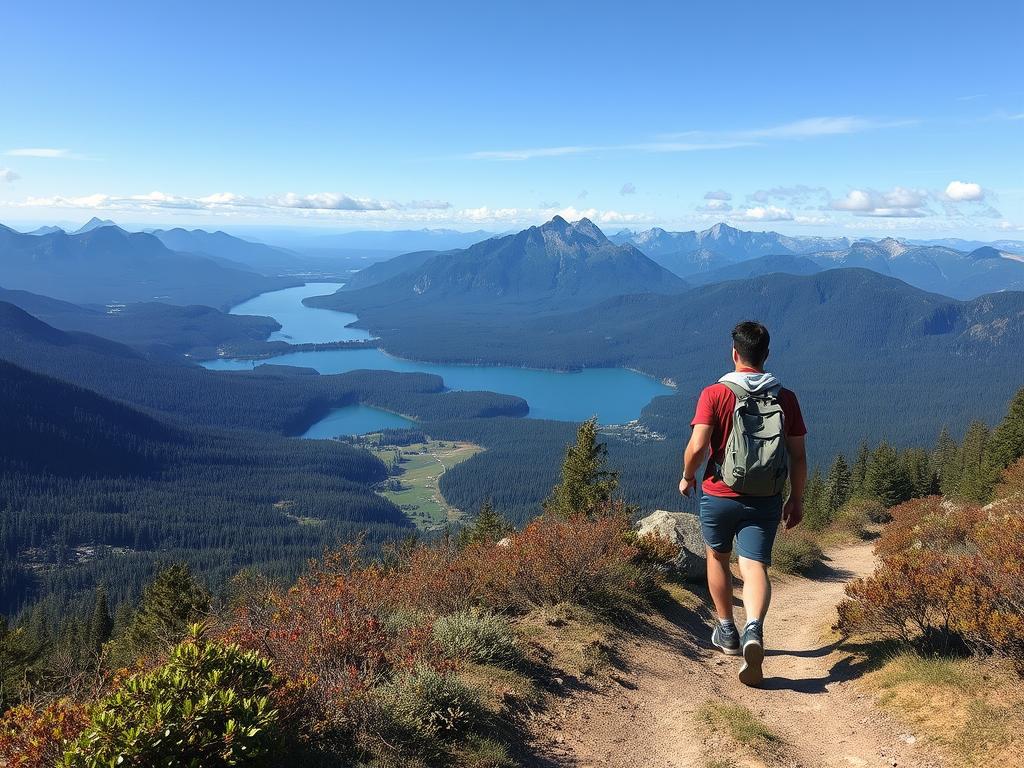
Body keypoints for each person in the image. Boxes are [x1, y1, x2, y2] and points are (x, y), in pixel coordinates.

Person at [679, 320, 807, 687]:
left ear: (735, 354)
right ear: (766, 355)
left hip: (720, 493)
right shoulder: (786, 397)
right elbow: (798, 456)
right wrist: (796, 499)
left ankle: (727, 632)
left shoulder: (714, 394)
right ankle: (754, 629)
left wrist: (689, 475)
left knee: (717, 557)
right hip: (766, 498)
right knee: (754, 566)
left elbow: (699, 447)